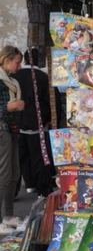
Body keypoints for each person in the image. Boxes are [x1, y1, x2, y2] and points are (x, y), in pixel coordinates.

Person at [13, 48, 56, 197]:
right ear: (40, 60)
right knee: (39, 157)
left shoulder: (14, 76)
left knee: (20, 158)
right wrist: (50, 120)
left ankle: (25, 185)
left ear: (24, 59)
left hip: (17, 124)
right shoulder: (44, 77)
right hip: (37, 125)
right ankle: (41, 189)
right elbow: (51, 102)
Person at [0, 46, 24, 234]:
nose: (19, 65)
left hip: (12, 130)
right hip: (3, 130)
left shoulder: (12, 81)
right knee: (5, 175)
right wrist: (11, 107)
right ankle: (2, 218)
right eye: (17, 61)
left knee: (14, 175)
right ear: (6, 60)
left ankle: (8, 215)